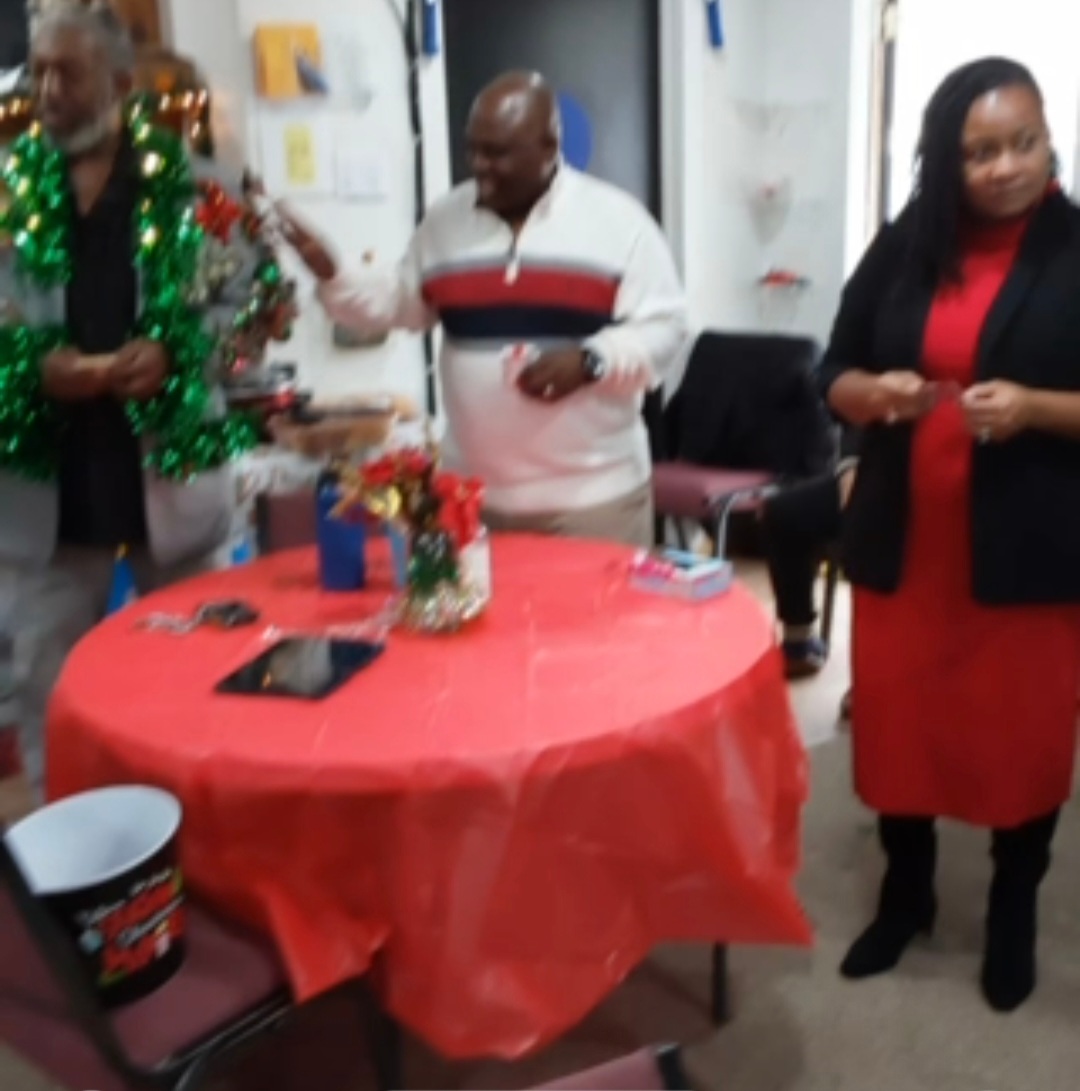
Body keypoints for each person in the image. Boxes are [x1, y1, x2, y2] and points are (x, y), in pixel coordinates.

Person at [821, 57, 1080, 1013]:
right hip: (906, 544)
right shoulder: (908, 243)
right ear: (946, 158)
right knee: (903, 730)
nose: (1007, 165)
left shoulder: (1074, 248)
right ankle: (907, 896)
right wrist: (869, 394)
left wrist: (1035, 408)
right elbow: (835, 368)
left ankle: (1013, 911)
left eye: (1025, 142)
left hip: (1029, 551)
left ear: (1050, 140)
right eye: (980, 151)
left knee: (1022, 741)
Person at [0, 3, 257, 792]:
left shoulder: (201, 189)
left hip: (172, 490)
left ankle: (203, 835)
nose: (48, 92)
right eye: (39, 73)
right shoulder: (6, 194)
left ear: (119, 83)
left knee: (202, 686)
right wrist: (28, 366)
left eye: (68, 74)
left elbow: (251, 311)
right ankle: (69, 844)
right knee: (48, 696)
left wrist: (182, 353)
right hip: (47, 500)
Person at [280, 70, 688, 548]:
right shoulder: (444, 222)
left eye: (497, 153)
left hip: (595, 503)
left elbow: (666, 328)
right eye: (472, 149)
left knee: (595, 604)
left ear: (549, 146)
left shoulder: (619, 223)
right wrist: (331, 272)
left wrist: (591, 361)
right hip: (473, 498)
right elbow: (399, 304)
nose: (479, 165)